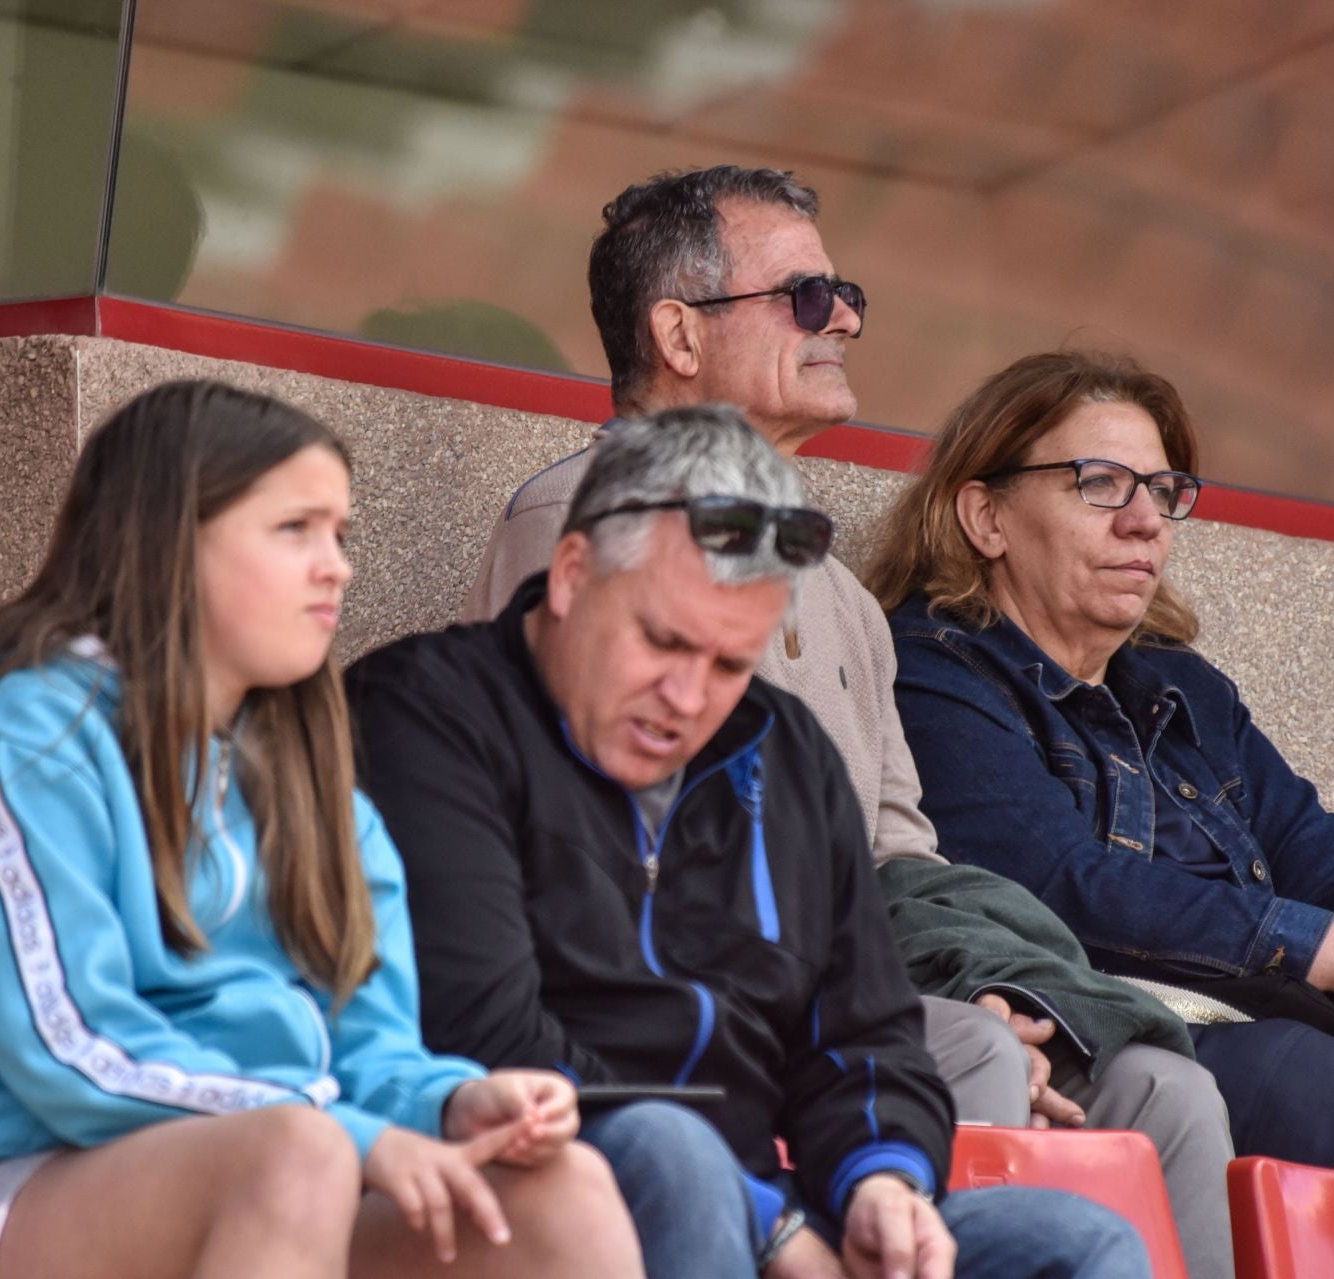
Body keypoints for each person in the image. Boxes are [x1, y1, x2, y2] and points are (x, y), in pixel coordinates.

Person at [464, 163, 1235, 1279]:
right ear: (679, 335)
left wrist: (981, 980)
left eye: (848, 294)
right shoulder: (587, 523)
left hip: (862, 991)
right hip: (672, 1010)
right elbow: (599, 844)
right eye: (810, 299)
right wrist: (912, 1010)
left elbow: (897, 857)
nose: (850, 321)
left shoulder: (836, 597)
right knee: (957, 1048)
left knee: (1165, 1082)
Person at [0, 380, 643, 1279]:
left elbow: (370, 1047)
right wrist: (348, 1134)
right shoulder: (21, 746)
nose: (335, 565)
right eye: (295, 528)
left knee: (558, 1191)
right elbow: (73, 1051)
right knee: (297, 1155)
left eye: (342, 534)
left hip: (274, 1176)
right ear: (169, 543)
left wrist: (453, 1102)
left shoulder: (317, 791)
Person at [867, 349, 1334, 1279]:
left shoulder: (1182, 688)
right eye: (1100, 483)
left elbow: (1315, 848)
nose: (1146, 519)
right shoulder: (932, 669)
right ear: (985, 513)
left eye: (1162, 489)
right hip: (1131, 1034)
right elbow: (1068, 886)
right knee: (1324, 1098)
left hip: (1308, 1040)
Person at [351, 408, 1151, 1279]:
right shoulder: (423, 714)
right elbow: (484, 1033)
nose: (689, 698)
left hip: (760, 1199)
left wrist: (882, 1181)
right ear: (574, 573)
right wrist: (764, 1221)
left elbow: (865, 1029)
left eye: (732, 662)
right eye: (663, 640)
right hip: (516, 1183)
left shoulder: (784, 750)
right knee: (672, 1154)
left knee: (1083, 1242)